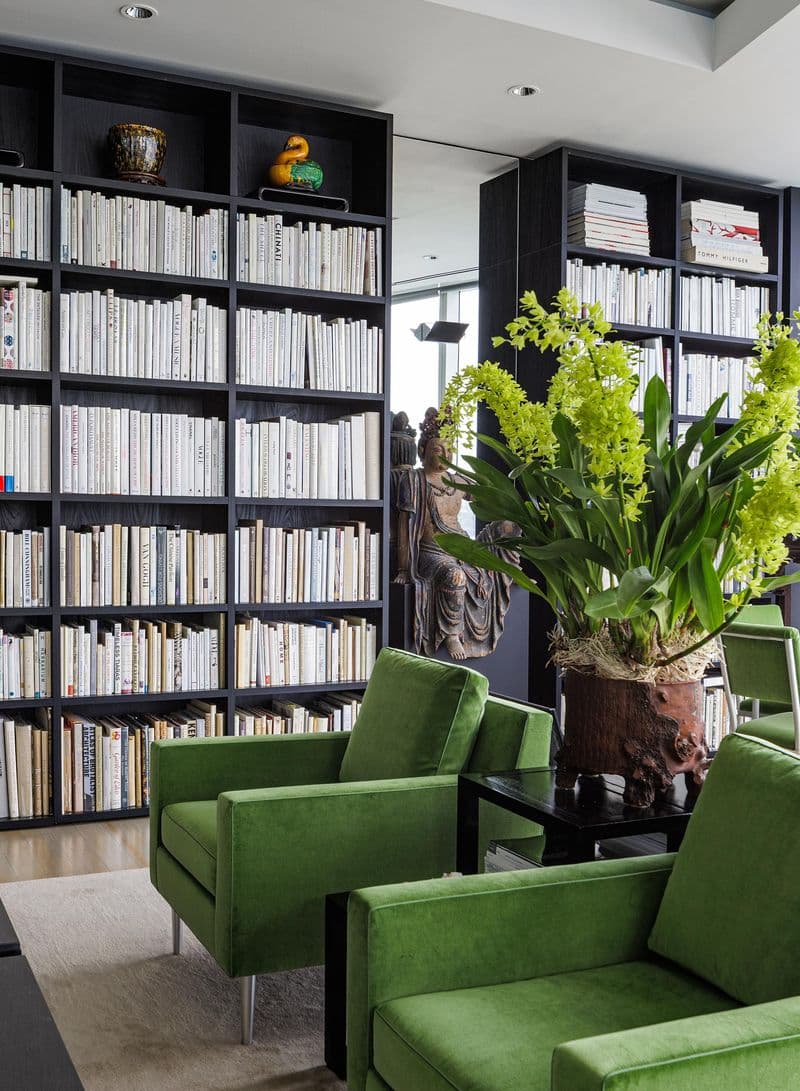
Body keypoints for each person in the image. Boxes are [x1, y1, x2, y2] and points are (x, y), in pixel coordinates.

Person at [393, 408, 518, 660]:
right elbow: (404, 528)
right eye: (438, 449)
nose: (446, 454)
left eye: (450, 449)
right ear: (422, 451)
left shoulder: (457, 480)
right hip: (432, 552)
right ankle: (451, 633)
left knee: (509, 527)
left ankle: (513, 574)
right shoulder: (414, 480)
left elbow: (489, 498)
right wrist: (404, 569)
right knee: (455, 575)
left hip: (462, 547)